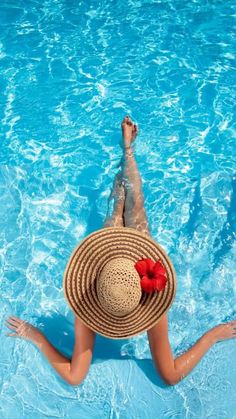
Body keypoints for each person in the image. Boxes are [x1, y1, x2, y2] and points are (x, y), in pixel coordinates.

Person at [5, 116, 236, 386]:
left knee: (123, 208)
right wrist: (212, 335)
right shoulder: (152, 304)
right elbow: (170, 376)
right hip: (131, 265)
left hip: (115, 265)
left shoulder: (88, 306)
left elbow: (75, 376)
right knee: (131, 206)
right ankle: (127, 150)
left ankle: (127, 151)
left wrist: (37, 336)